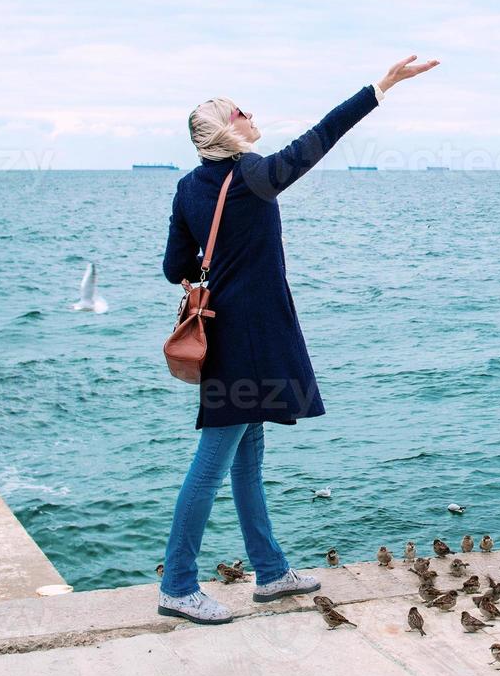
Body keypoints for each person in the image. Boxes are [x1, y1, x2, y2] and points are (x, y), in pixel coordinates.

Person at [157, 55, 439, 624]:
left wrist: (215, 264)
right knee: (212, 463)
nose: (251, 113)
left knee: (247, 459)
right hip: (248, 341)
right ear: (226, 130)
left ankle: (269, 572)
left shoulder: (190, 187)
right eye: (240, 110)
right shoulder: (255, 175)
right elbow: (321, 137)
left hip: (226, 337)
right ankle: (178, 585)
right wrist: (380, 87)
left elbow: (173, 267)